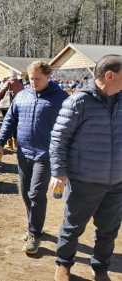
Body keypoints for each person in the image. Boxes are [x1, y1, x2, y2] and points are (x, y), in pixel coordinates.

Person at [51, 55, 122, 281]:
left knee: (108, 230)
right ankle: (63, 264)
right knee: (72, 227)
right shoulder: (78, 102)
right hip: (84, 180)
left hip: (117, 183)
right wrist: (59, 172)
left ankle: (100, 267)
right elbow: (58, 139)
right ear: (109, 76)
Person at [0, 61, 68, 254]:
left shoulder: (61, 99)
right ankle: (33, 225)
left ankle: (34, 234)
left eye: (38, 79)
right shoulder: (22, 96)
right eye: (31, 78)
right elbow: (9, 120)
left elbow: (70, 128)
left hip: (46, 155)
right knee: (25, 192)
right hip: (23, 153)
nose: (33, 82)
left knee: (36, 194)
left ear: (48, 76)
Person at [0, 71, 24, 150]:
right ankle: (16, 143)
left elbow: (1, 93)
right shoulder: (20, 84)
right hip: (18, 106)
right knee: (16, 124)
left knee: (7, 124)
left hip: (7, 106)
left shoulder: (8, 82)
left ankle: (9, 143)